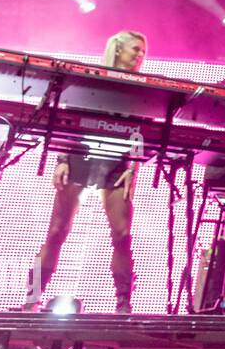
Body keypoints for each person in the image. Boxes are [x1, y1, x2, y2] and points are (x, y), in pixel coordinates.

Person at [23, 30, 147, 314]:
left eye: (143, 51)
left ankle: (123, 302)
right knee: (57, 230)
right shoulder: (92, 78)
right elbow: (69, 121)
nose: (140, 56)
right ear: (118, 50)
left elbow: (144, 134)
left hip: (117, 162)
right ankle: (31, 299)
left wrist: (134, 167)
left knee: (122, 232)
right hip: (80, 155)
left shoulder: (144, 86)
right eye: (135, 49)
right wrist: (62, 158)